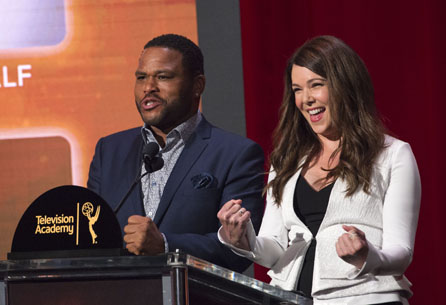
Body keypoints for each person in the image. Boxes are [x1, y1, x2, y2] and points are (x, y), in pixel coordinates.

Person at [218, 35, 421, 304]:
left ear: (345, 86)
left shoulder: (393, 155)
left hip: (366, 297)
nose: (306, 99)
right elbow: (275, 248)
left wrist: (367, 255)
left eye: (316, 85)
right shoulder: (287, 159)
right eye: (297, 89)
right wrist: (243, 240)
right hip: (291, 297)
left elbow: (401, 251)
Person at [87, 34, 265, 273]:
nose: (148, 88)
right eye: (141, 78)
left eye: (163, 77)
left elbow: (240, 250)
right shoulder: (109, 151)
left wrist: (166, 245)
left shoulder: (237, 154)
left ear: (197, 85)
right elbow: (90, 239)